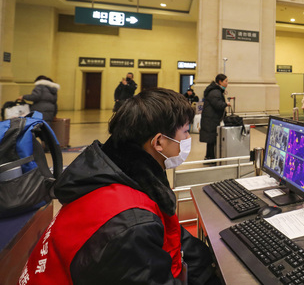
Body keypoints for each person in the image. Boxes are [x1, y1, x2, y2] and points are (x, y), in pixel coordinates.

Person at [20, 88, 215, 284]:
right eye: (185, 132)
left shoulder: (114, 174)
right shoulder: (130, 224)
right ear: (158, 142)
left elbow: (171, 237)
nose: (188, 139)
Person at [200, 74, 231, 160]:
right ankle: (210, 158)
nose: (227, 83)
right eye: (226, 81)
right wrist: (226, 104)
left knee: (211, 140)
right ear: (220, 82)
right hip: (211, 120)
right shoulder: (215, 92)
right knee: (212, 140)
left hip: (211, 119)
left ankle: (210, 157)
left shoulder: (215, 91)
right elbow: (217, 104)